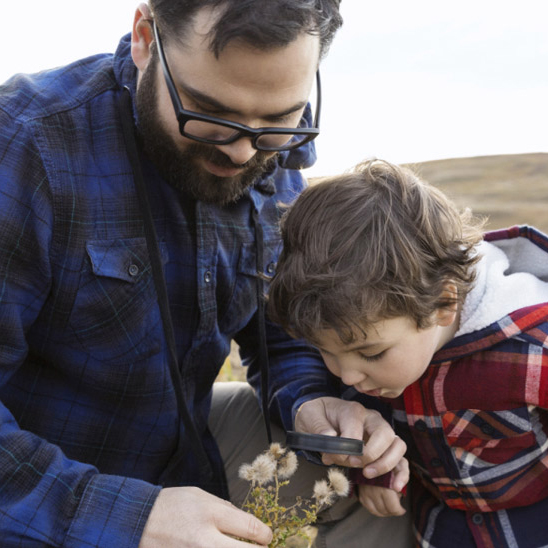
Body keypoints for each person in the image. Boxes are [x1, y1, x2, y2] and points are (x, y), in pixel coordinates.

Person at [0, 2, 413, 547]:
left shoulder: (273, 158)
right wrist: (126, 517)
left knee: (377, 492)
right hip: (41, 483)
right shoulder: (25, 144)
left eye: (278, 120)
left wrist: (311, 401)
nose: (242, 153)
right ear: (146, 38)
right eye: (210, 112)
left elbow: (280, 334)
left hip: (184, 446)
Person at [268, 158, 548, 547]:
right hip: (440, 530)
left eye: (370, 354)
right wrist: (376, 471)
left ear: (444, 303)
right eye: (325, 352)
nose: (347, 376)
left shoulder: (532, 348)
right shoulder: (372, 349)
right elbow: (374, 426)